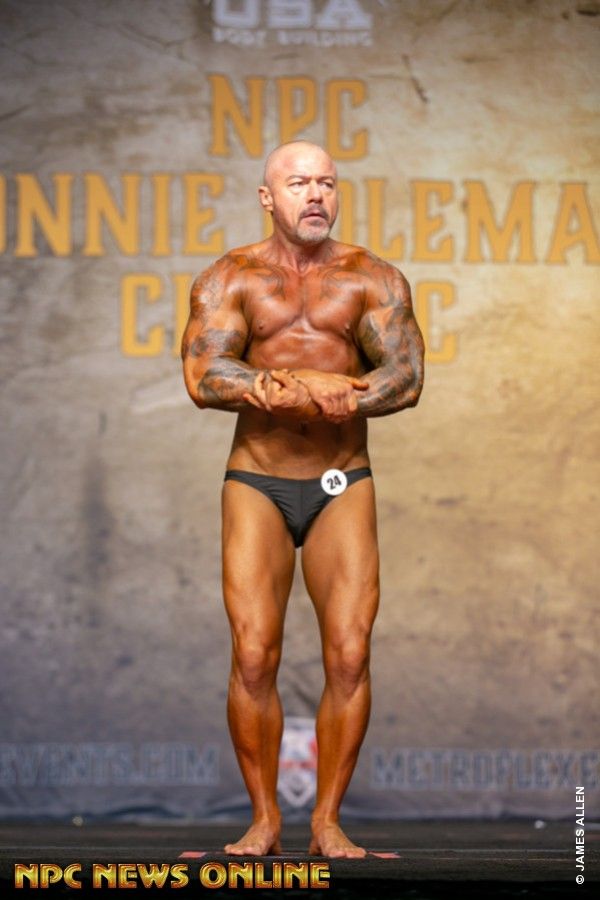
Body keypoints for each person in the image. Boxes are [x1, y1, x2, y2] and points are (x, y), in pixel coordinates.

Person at [181, 140, 424, 858]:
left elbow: (406, 376)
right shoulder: (231, 276)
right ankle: (264, 821)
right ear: (268, 197)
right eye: (298, 183)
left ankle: (327, 822)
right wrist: (277, 387)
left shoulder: (371, 279)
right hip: (257, 481)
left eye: (326, 183)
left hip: (339, 482)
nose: (315, 194)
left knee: (349, 654)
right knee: (254, 655)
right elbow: (204, 374)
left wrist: (340, 396)